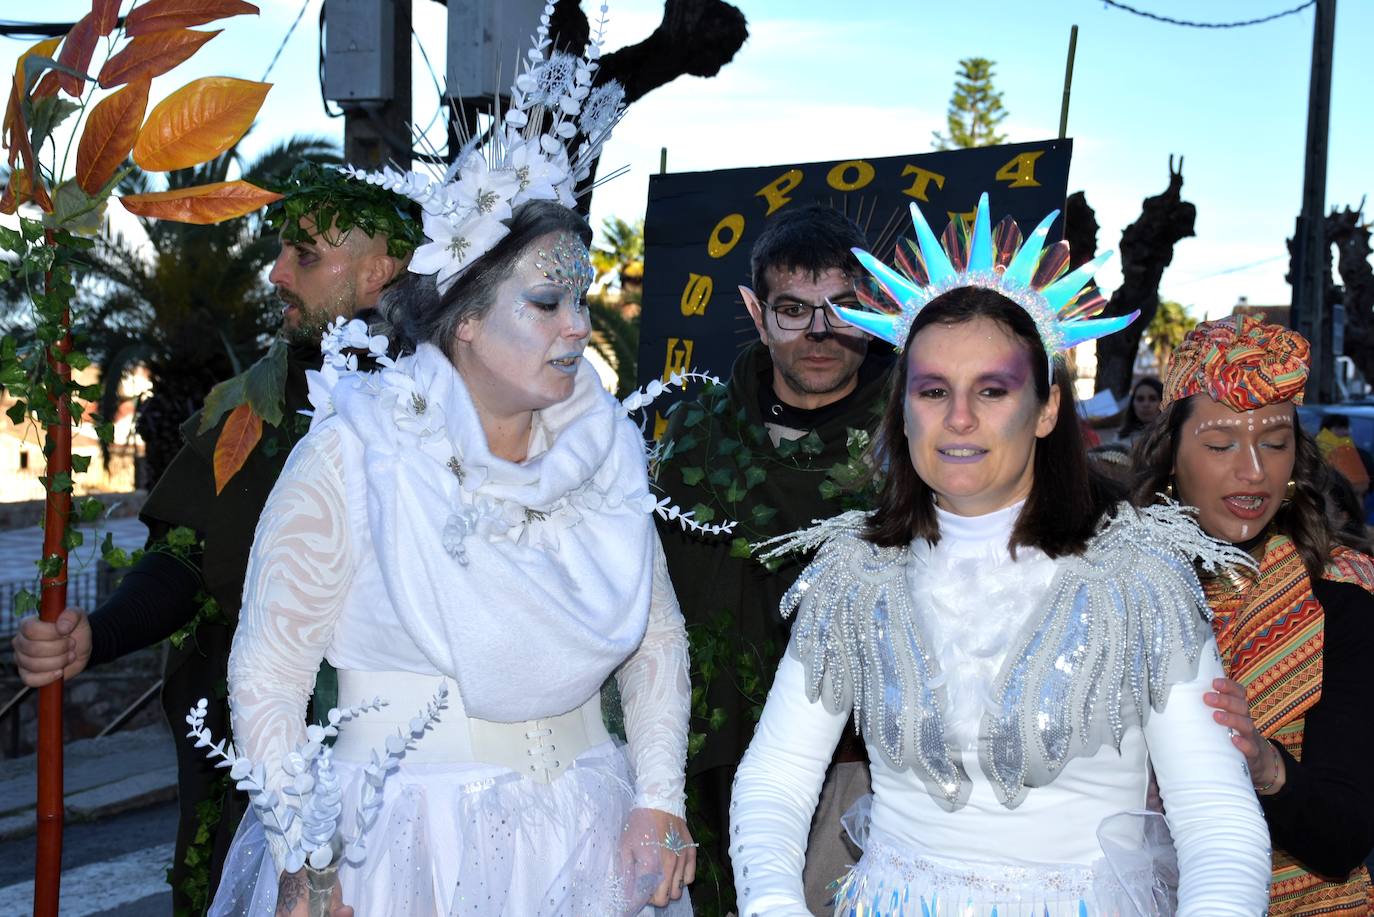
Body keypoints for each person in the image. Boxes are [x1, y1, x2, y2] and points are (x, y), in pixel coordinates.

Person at [212, 16, 695, 916]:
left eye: (581, 300)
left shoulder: (603, 457)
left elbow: (655, 637)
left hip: (590, 830)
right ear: (464, 319)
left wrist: (658, 797)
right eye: (547, 302)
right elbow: (268, 672)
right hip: (402, 846)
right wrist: (307, 853)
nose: (579, 328)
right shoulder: (352, 456)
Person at [729, 195, 1272, 915]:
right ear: (903, 407)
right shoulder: (853, 577)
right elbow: (775, 780)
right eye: (932, 390)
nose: (958, 418)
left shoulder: (1137, 579)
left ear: (1047, 407)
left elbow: (1217, 816)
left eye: (992, 389)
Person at [10, 161, 420, 912]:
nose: (274, 274)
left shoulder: (461, 411)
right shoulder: (245, 412)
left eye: (305, 256)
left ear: (379, 273)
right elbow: (185, 558)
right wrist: (90, 638)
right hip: (259, 794)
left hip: (421, 789)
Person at [655, 204, 891, 915]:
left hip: (854, 765)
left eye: (841, 308)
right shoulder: (696, 428)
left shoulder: (910, 438)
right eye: (794, 309)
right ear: (757, 314)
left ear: (874, 311)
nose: (819, 334)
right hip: (697, 757)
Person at [1134, 315, 1374, 916]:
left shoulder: (1341, 592)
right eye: (1220, 446)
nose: (1254, 470)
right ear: (1169, 454)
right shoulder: (1116, 580)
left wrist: (1264, 764)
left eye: (1274, 443)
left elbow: (1345, 834)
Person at [1117, 376, 1163, 445]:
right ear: (1132, 404)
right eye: (1140, 399)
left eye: (1153, 399)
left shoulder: (1174, 436)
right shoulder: (1121, 439)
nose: (1146, 404)